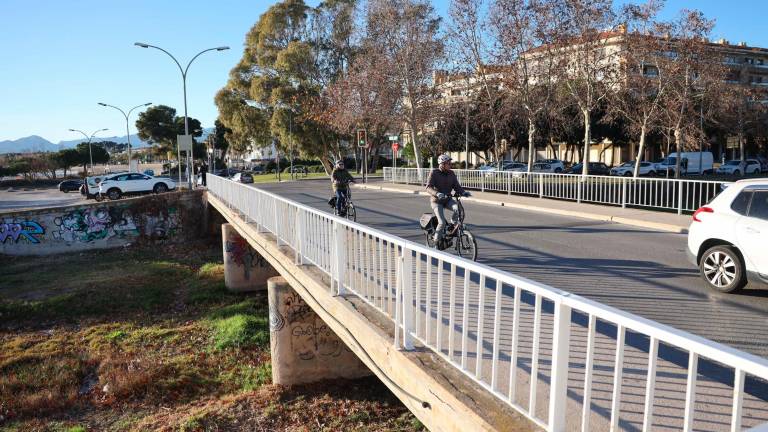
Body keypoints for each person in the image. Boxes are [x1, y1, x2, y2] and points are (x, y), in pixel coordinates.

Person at [426, 154, 470, 245]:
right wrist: (437, 193)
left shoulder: (451, 173)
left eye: (450, 163)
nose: (450, 164)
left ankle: (453, 224)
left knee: (459, 210)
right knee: (441, 222)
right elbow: (428, 187)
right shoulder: (434, 173)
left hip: (447, 200)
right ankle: (436, 243)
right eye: (448, 163)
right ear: (442, 164)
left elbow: (456, 186)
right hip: (437, 201)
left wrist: (463, 192)